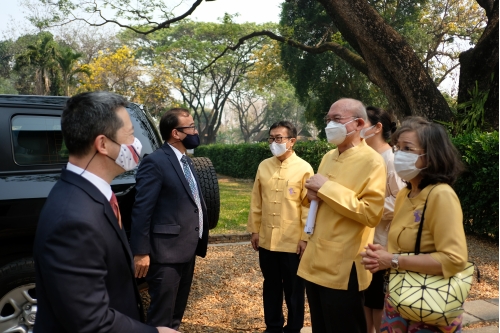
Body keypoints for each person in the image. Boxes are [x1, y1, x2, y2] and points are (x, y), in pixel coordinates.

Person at [33, 91, 176, 333]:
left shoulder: (91, 194)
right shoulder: (73, 220)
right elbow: (91, 321)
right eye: (130, 135)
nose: (136, 144)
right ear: (102, 144)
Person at [360, 117, 468, 332]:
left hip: (429, 305)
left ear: (431, 156)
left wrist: (392, 259)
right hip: (399, 300)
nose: (398, 154)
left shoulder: (440, 195)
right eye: (397, 147)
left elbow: (454, 259)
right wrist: (383, 255)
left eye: (407, 148)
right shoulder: (405, 194)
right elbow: (407, 247)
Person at [297, 98, 387, 333]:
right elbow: (319, 199)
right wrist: (312, 194)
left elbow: (370, 214)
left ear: (358, 123)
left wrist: (325, 188)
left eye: (336, 119)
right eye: (328, 119)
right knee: (321, 327)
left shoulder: (373, 161)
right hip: (315, 259)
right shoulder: (328, 156)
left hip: (343, 266)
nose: (329, 125)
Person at [130, 108, 209, 330]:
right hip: (165, 253)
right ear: (176, 133)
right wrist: (141, 251)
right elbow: (142, 209)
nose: (195, 131)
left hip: (187, 249)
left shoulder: (188, 161)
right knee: (161, 316)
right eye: (191, 127)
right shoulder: (155, 162)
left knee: (176, 314)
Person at [247, 121, 314, 333]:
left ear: (292, 141)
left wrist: (305, 238)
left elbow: (308, 206)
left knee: (294, 290)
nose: (274, 142)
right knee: (271, 286)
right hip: (267, 238)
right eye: (271, 138)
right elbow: (257, 200)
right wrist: (255, 230)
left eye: (279, 138)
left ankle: (294, 328)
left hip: (292, 241)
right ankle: (273, 327)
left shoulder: (304, 168)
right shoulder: (264, 166)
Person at [360, 106, 405, 333]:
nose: (357, 129)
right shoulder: (366, 157)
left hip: (381, 239)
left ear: (377, 128)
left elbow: (401, 201)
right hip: (363, 238)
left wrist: (366, 207)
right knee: (365, 300)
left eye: (361, 124)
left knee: (377, 301)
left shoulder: (392, 159)